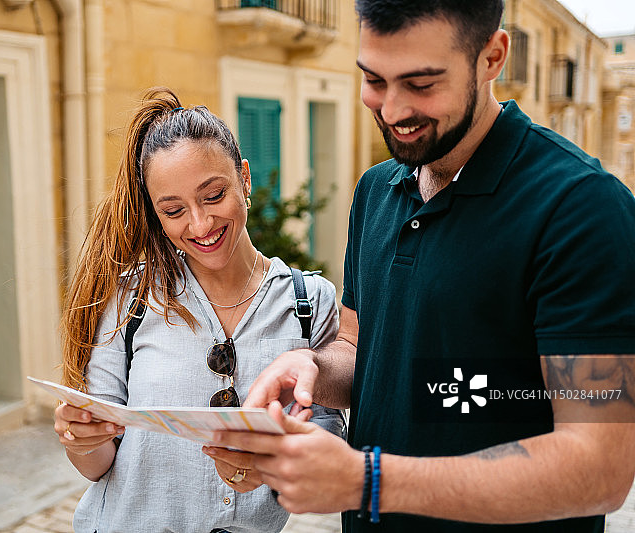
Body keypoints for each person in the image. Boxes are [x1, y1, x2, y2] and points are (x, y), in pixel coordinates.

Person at [211, 1, 635, 532]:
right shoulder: (375, 191)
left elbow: (601, 467)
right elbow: (358, 345)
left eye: (421, 84)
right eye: (374, 80)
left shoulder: (582, 209)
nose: (391, 110)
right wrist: (313, 368)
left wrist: (367, 482)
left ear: (491, 57)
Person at [53, 87, 343, 532]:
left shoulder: (311, 302)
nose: (201, 225)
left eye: (213, 195)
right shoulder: (130, 296)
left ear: (244, 178)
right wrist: (79, 439)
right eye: (173, 210)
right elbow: (97, 465)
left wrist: (269, 466)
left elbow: (327, 449)